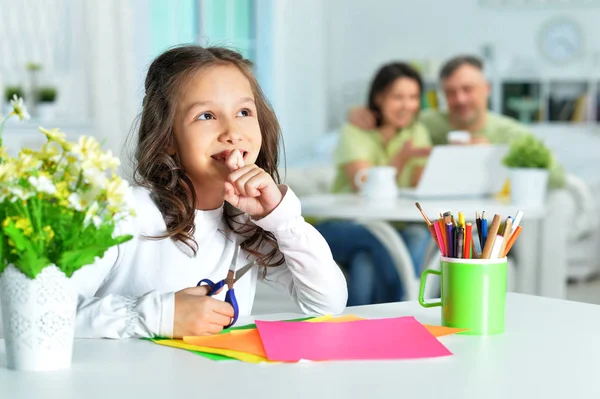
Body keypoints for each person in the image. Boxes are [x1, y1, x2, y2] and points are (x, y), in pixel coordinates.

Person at [72, 45, 348, 339]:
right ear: (167, 137)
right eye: (206, 116)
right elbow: (46, 314)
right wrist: (161, 316)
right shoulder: (122, 211)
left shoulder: (246, 221)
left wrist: (281, 219)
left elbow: (326, 304)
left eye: (244, 112)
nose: (232, 131)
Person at [348, 55, 565, 188]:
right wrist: (360, 111)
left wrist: (495, 155)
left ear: (486, 89)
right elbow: (397, 115)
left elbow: (557, 178)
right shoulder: (427, 123)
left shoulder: (511, 133)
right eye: (451, 92)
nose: (460, 99)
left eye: (467, 89)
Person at [316, 62, 432, 306]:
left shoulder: (417, 131)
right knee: (378, 241)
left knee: (368, 260)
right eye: (397, 97)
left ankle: (357, 329)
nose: (406, 105)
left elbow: (419, 187)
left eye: (412, 97)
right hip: (346, 223)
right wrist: (401, 158)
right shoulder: (354, 131)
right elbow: (366, 186)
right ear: (379, 97)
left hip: (393, 224)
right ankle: (401, 307)